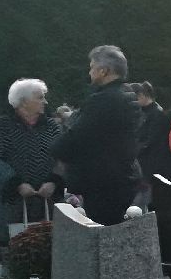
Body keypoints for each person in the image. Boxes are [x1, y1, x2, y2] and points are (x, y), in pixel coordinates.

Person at [53, 44, 140, 224]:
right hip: (121, 177)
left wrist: (56, 148)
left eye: (92, 67)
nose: (90, 72)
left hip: (103, 181)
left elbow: (79, 136)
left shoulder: (104, 100)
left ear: (104, 71)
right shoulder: (127, 94)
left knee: (103, 232)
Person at [0, 78, 62, 215]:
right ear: (24, 102)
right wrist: (17, 184)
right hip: (13, 202)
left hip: (50, 200)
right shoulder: (2, 126)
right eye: (40, 98)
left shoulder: (52, 126)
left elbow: (63, 156)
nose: (45, 102)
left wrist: (54, 181)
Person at [133, 82, 171, 189]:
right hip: (145, 161)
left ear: (141, 95)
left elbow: (151, 140)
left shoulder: (156, 114)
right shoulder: (145, 112)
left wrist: (134, 149)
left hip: (151, 164)